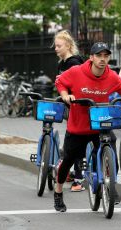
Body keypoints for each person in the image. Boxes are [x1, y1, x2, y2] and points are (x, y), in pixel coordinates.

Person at [54, 42, 121, 212]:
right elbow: (60, 82)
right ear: (91, 58)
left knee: (111, 150)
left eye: (106, 56)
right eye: (99, 55)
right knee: (69, 159)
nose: (103, 59)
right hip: (78, 126)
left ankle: (110, 186)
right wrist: (65, 95)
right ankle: (58, 191)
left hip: (100, 124)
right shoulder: (77, 72)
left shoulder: (110, 74)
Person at [54, 30, 85, 192]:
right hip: (69, 107)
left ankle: (78, 179)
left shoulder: (74, 62)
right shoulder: (62, 63)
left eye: (59, 46)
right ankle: (70, 172)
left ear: (68, 45)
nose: (56, 48)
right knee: (71, 143)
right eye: (55, 46)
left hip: (79, 108)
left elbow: (78, 84)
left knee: (76, 143)